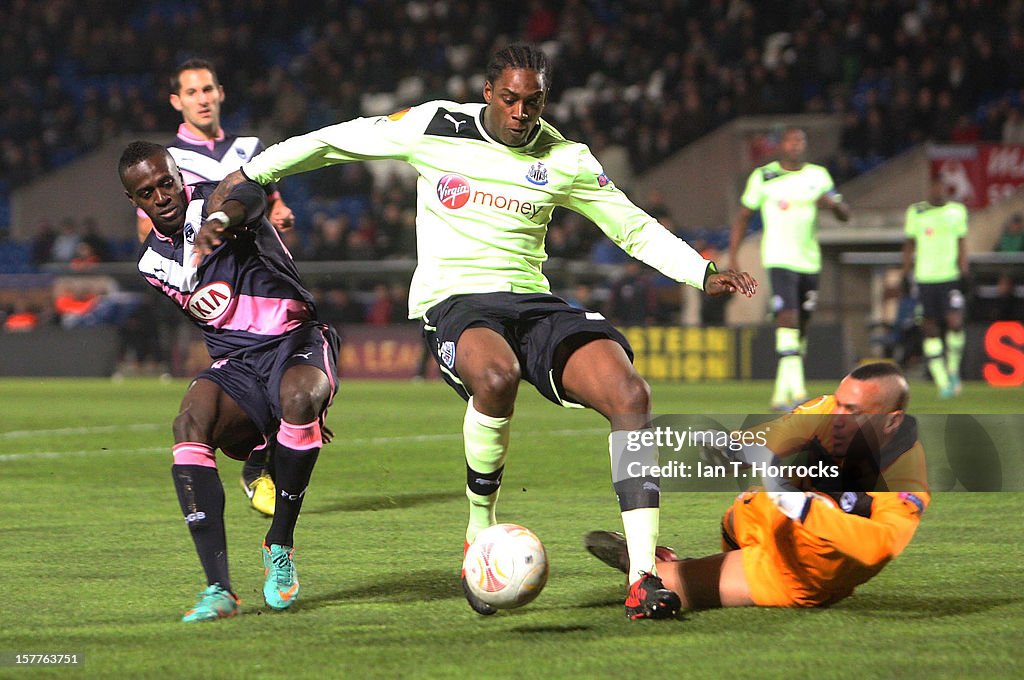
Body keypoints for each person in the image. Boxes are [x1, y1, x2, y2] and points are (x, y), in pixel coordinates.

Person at [209, 43, 757, 620]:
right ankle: (479, 530)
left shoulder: (566, 157)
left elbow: (631, 226)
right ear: (489, 92)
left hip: (532, 301)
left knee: (632, 395)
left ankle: (644, 577)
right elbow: (334, 141)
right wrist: (255, 171)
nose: (523, 112)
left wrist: (702, 272)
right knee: (496, 377)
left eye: (534, 100)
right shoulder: (436, 125)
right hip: (455, 302)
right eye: (512, 99)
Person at [119, 141, 338, 622]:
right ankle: (219, 589)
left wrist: (222, 222)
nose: (161, 195)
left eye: (166, 182)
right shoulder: (151, 265)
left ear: (178, 177)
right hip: (238, 364)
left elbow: (251, 198)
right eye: (146, 191)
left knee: (301, 396)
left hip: (294, 337)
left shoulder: (215, 202)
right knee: (189, 423)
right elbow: (214, 316)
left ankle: (278, 543)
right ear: (134, 202)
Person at [586, 362, 929, 610]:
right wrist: (734, 447)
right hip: (770, 516)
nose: (836, 415)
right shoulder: (829, 412)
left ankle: (635, 558)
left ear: (891, 421)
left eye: (851, 410)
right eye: (838, 401)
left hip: (803, 571)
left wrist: (802, 507)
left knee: (661, 587)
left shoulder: (906, 477)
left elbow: (878, 546)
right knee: (736, 516)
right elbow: (779, 435)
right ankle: (703, 562)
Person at [137, 58, 298, 515]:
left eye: (208, 89)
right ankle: (257, 460)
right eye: (192, 92)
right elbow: (151, 231)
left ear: (221, 92)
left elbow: (272, 202)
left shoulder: (251, 147)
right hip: (219, 292)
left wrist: (281, 216)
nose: (203, 99)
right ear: (177, 102)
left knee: (303, 374)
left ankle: (259, 459)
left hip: (266, 277)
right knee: (257, 379)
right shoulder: (168, 163)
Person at [728, 127, 850, 411]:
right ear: (781, 145)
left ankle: (781, 393)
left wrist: (832, 205)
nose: (796, 145)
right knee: (789, 318)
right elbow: (744, 216)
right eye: (791, 140)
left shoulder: (818, 176)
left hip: (809, 261)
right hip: (778, 258)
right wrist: (733, 256)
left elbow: (845, 213)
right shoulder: (765, 176)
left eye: (800, 141)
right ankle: (797, 391)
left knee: (801, 328)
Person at [901, 175, 968, 398]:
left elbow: (962, 243)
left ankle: (953, 370)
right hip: (925, 279)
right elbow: (910, 245)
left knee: (955, 323)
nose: (937, 190)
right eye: (934, 186)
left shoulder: (957, 212)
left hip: (950, 277)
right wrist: (905, 273)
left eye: (940, 186)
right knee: (929, 329)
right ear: (929, 188)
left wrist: (964, 270)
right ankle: (942, 381)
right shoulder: (916, 212)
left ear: (946, 189)